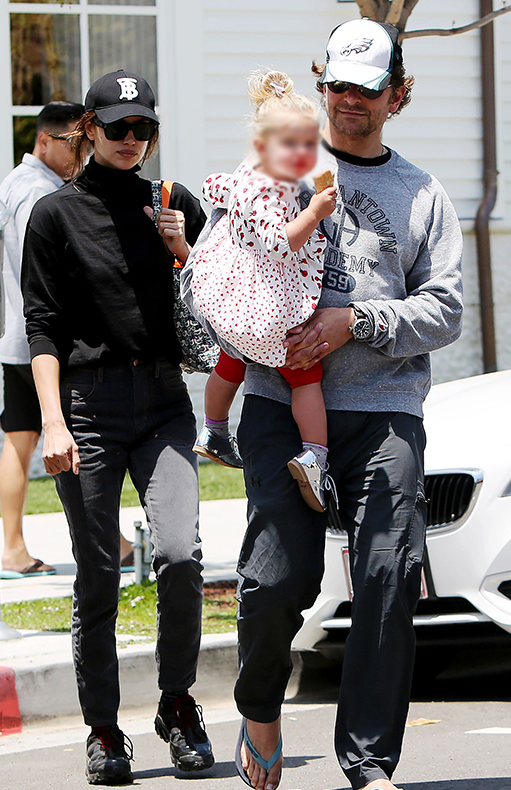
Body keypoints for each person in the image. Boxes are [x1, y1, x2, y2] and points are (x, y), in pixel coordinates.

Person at [232, 18, 463, 790]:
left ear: (397, 96)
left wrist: (355, 321)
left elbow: (445, 309)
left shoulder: (424, 195)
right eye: (336, 85)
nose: (349, 101)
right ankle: (260, 706)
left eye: (367, 89)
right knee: (275, 578)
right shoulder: (276, 163)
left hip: (383, 409)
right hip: (279, 403)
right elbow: (228, 261)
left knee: (388, 576)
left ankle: (368, 764)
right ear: (320, 84)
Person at [21, 70, 213, 785]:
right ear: (89, 128)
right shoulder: (53, 215)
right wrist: (52, 421)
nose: (131, 139)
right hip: (88, 408)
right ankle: (103, 729)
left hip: (163, 400)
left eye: (144, 128)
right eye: (117, 126)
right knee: (98, 572)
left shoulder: (173, 203)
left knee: (181, 556)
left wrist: (184, 250)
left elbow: (223, 299)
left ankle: (177, 706)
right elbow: (42, 328)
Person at [191, 70, 337, 511]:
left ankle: (214, 428)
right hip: (267, 302)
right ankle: (315, 455)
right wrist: (313, 212)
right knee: (304, 372)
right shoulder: (268, 186)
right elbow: (278, 242)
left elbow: (212, 185)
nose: (302, 153)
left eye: (308, 142)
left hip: (236, 296)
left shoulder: (249, 173)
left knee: (232, 358)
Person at [0, 101, 84, 577]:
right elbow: (53, 268)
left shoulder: (16, 182)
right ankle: (112, 544)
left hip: (17, 338)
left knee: (21, 438)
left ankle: (12, 549)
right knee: (75, 437)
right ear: (45, 140)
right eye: (75, 144)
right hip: (42, 342)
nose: (81, 155)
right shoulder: (36, 192)